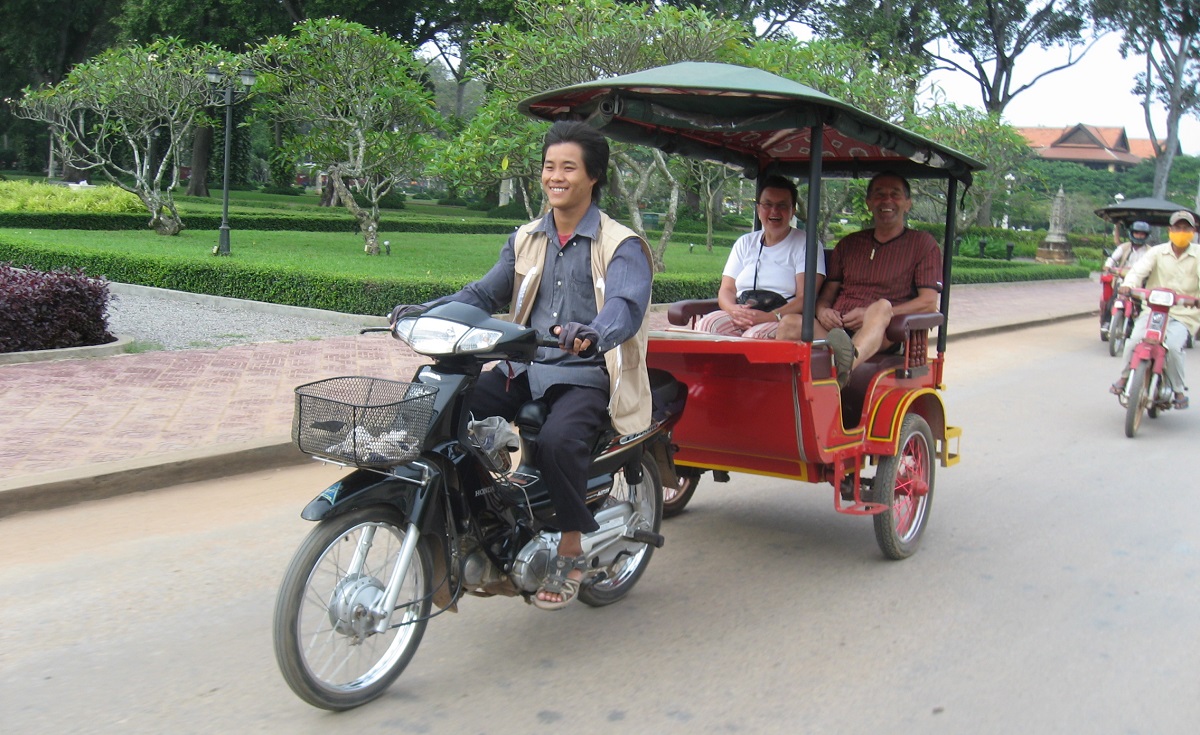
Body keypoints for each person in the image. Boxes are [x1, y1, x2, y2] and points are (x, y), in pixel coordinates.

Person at [391, 120, 654, 609]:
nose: (555, 176)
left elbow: (624, 305)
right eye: (549, 166)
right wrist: (427, 310)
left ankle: (571, 547)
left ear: (592, 176)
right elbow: (484, 292)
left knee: (557, 442)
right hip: (522, 369)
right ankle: (479, 515)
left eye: (568, 167)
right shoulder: (527, 238)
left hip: (585, 375)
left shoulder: (622, 245)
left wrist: (594, 333)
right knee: (447, 410)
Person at [778, 171, 942, 388]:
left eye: (895, 194)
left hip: (884, 332)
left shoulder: (922, 244)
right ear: (869, 203)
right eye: (879, 194)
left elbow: (929, 302)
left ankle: (843, 370)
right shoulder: (849, 244)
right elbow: (826, 295)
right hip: (836, 330)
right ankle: (779, 389)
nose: (887, 200)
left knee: (881, 307)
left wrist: (868, 314)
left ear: (908, 203)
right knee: (789, 322)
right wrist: (823, 311)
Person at [696, 175, 825, 338]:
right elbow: (727, 288)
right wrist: (732, 309)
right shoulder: (745, 242)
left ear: (793, 211)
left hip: (780, 317)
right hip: (742, 311)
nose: (774, 211)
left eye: (782, 206)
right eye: (768, 204)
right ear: (758, 209)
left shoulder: (806, 244)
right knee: (708, 325)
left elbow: (805, 298)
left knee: (754, 337)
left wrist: (769, 316)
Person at [1109, 210, 1200, 409]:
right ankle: (1124, 378)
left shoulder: (1198, 255)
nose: (1182, 231)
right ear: (1170, 230)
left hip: (1183, 315)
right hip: (1154, 311)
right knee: (1133, 341)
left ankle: (1177, 389)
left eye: (1186, 228)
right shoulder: (1157, 252)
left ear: (1193, 231)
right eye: (1178, 228)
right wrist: (1128, 285)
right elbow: (1138, 271)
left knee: (1174, 348)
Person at [1100, 220, 1152, 330]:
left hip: (1141, 283)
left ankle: (1141, 327)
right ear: (1132, 233)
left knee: (1144, 305)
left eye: (1142, 233)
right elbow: (1112, 258)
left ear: (1146, 235)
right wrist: (1108, 266)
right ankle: (1107, 322)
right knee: (1112, 300)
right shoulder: (1124, 247)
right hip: (1122, 280)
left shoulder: (1150, 251)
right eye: (1137, 233)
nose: (1139, 235)